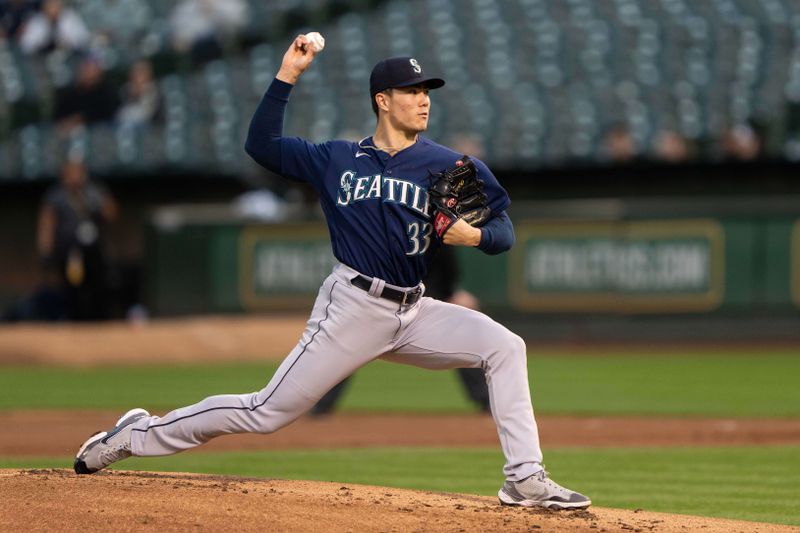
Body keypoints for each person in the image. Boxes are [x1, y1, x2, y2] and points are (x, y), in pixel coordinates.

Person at [73, 35, 591, 510]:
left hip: (415, 309)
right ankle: (138, 434)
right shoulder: (336, 159)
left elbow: (503, 227)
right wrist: (286, 76)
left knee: (506, 346)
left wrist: (477, 236)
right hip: (353, 306)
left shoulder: (451, 166)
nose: (424, 99)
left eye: (427, 90)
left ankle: (523, 478)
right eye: (411, 90)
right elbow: (261, 146)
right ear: (382, 100)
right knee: (266, 412)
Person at [310, 245, 491, 416]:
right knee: (460, 339)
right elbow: (448, 265)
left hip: (380, 300)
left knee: (348, 347)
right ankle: (485, 400)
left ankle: (321, 403)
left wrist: (451, 291)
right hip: (425, 298)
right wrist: (451, 291)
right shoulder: (430, 222)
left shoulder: (384, 226)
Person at [37, 158, 117, 320]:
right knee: (73, 287)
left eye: (78, 171)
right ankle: (74, 320)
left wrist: (96, 205)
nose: (75, 176)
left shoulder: (94, 191)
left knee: (98, 285)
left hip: (94, 251)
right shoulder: (57, 196)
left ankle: (100, 320)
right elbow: (47, 223)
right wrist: (45, 249)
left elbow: (111, 213)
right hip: (70, 251)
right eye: (70, 172)